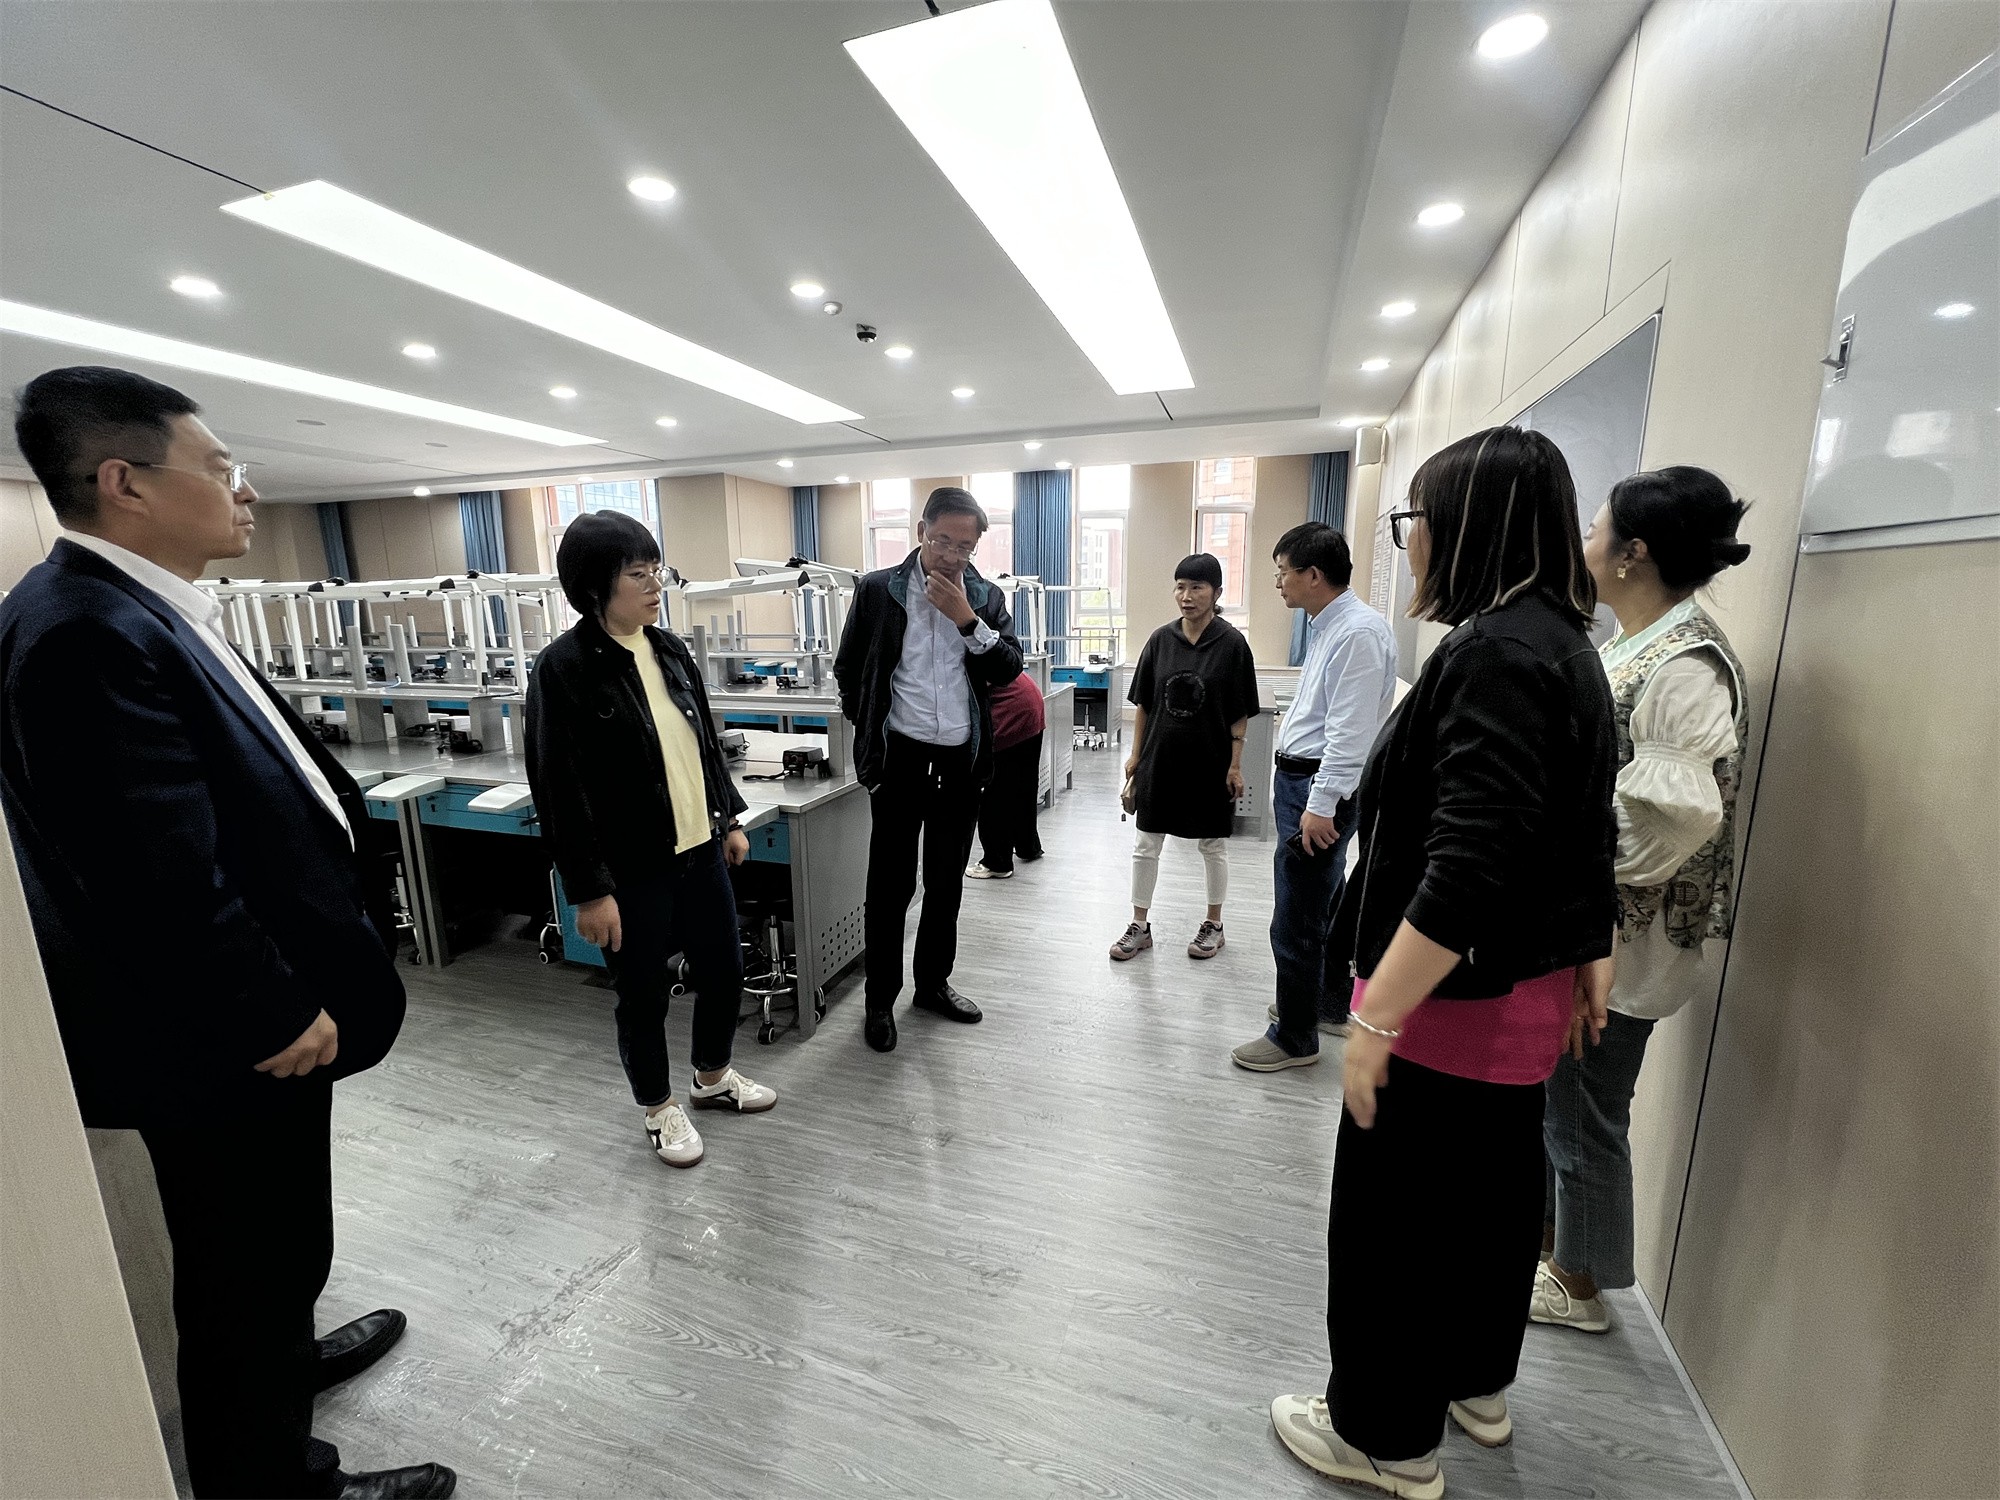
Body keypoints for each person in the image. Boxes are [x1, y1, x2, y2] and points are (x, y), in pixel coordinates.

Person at [0, 367, 451, 1500]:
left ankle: (286, 1361)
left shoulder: (146, 607)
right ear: (125, 483)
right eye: (218, 467)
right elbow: (150, 873)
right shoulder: (83, 632)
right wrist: (274, 1009)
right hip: (228, 1043)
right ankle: (272, 1478)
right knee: (242, 1269)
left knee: (277, 1248)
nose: (246, 489)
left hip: (244, 1026)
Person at [1269, 427, 1618, 1499]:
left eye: (1412, 519)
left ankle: (1385, 1437)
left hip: (1446, 1006)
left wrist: (1374, 1020)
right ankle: (1474, 1383)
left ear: (1465, 524)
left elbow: (1472, 858)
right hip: (1522, 994)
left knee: (1396, 1226)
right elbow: (1581, 820)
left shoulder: (1495, 654)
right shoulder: (1561, 639)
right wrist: (1593, 943)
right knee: (1489, 1203)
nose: (1408, 540)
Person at [1535, 467, 1751, 1334]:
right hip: (1593, 926)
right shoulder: (1632, 641)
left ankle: (1581, 1283)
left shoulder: (1687, 663)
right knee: (1562, 1100)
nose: (1583, 545)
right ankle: (1558, 1251)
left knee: (1585, 1108)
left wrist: (1569, 877)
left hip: (1626, 939)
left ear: (1632, 552)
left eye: (1594, 531)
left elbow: (1670, 820)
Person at [526, 511, 777, 1170]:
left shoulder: (668, 649)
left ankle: (712, 1077)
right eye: (637, 574)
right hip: (630, 867)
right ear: (594, 586)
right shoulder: (563, 668)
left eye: (655, 570)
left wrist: (727, 820)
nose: (654, 585)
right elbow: (557, 787)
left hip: (699, 848)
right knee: (642, 993)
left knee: (723, 970)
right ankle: (658, 1107)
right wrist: (589, 891)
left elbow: (703, 745)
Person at [833, 485, 1024, 1053]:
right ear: (921, 532)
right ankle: (879, 1000)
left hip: (961, 757)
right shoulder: (878, 590)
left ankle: (932, 985)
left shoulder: (984, 596)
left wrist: (966, 619)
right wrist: (871, 731)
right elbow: (849, 670)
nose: (952, 555)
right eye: (943, 541)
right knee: (890, 886)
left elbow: (1008, 669)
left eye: (965, 547)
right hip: (901, 755)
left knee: (946, 881)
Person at [1230, 523, 1396, 1070]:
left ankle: (1294, 1036)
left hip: (1318, 788)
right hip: (1307, 783)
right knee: (1324, 901)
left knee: (1297, 914)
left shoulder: (1357, 634)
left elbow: (1349, 734)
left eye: (1283, 572)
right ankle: (1322, 1004)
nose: (1278, 582)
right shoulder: (1333, 625)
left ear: (1313, 575)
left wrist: (1321, 804)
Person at [1108, 553, 1260, 962]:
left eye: (1196, 587)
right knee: (1146, 842)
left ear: (1216, 593)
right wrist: (1135, 756)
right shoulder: (1160, 640)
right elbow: (1144, 703)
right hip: (1161, 760)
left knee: (1212, 845)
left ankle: (1214, 923)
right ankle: (1139, 925)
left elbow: (1240, 711)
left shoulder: (1231, 644)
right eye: (1180, 586)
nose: (1186, 596)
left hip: (1210, 761)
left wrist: (1235, 764)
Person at [967, 671, 1046, 879]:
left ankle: (997, 862)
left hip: (1011, 711)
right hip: (1030, 702)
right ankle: (1028, 846)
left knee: (995, 792)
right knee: (1023, 785)